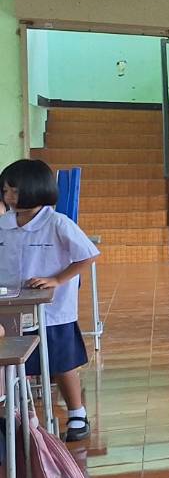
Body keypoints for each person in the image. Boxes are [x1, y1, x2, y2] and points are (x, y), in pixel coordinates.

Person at [0, 159, 102, 442]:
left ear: (36, 189)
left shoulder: (57, 223)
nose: (9, 197)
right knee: (15, 360)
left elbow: (88, 255)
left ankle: (77, 413)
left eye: (14, 191)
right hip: (12, 307)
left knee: (61, 362)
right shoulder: (4, 224)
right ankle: (20, 414)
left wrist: (57, 279)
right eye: (5, 191)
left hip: (52, 310)